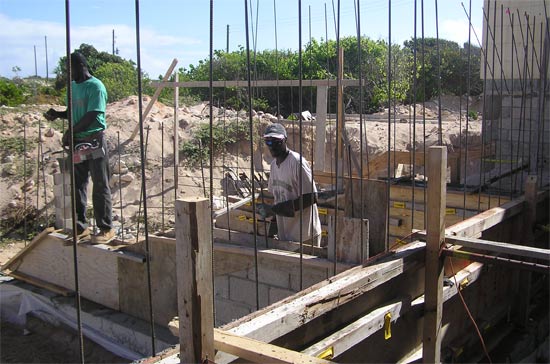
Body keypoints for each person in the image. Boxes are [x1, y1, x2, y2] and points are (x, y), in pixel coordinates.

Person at [44, 52, 114, 243]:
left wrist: (70, 132)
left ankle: (106, 228)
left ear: (81, 66)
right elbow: (74, 112)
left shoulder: (96, 87)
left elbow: (93, 114)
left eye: (71, 69)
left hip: (94, 141)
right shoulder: (72, 88)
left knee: (100, 185)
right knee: (78, 185)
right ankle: (80, 226)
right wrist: (58, 114)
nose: (69, 73)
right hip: (77, 143)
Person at [260, 123, 322, 246]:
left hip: (305, 236)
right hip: (286, 237)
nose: (272, 146)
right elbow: (278, 199)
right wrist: (272, 231)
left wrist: (274, 210)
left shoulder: (297, 163)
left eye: (276, 142)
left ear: (285, 140)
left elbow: (312, 197)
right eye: (268, 142)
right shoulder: (273, 166)